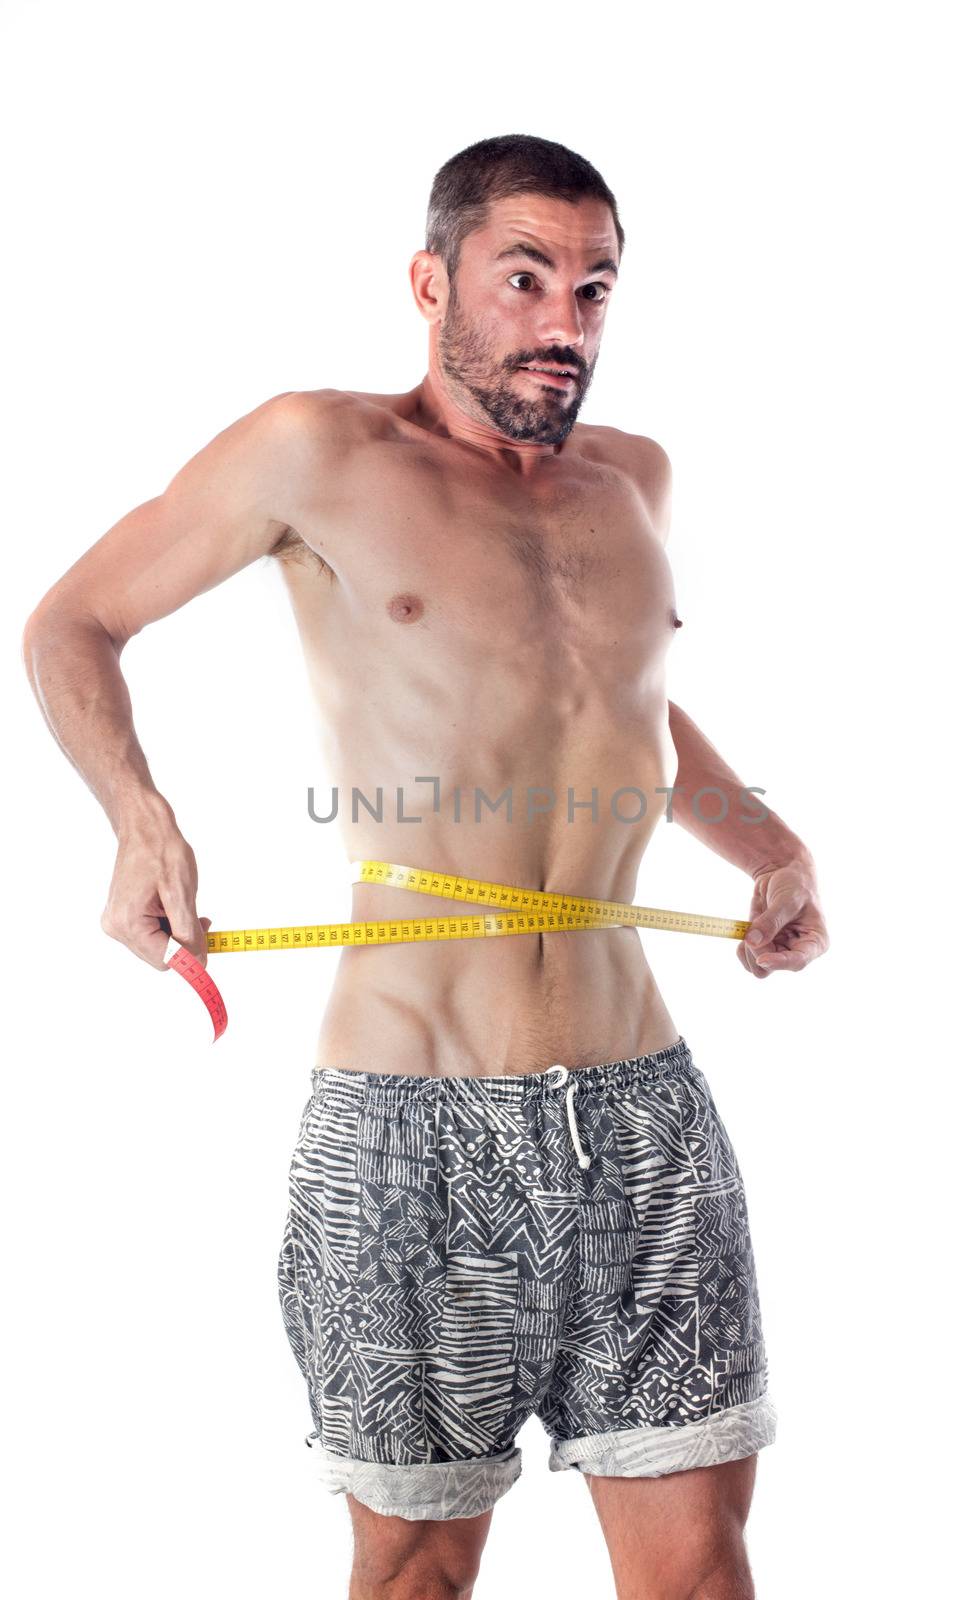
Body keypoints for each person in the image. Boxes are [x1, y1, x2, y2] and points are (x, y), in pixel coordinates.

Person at [22, 133, 829, 1600]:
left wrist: (769, 845)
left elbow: (630, 707)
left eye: (593, 288)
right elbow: (72, 621)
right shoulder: (315, 451)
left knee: (703, 1572)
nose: (562, 320)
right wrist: (138, 815)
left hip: (643, 1116)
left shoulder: (634, 480)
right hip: (411, 1126)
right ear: (429, 281)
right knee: (414, 1577)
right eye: (524, 278)